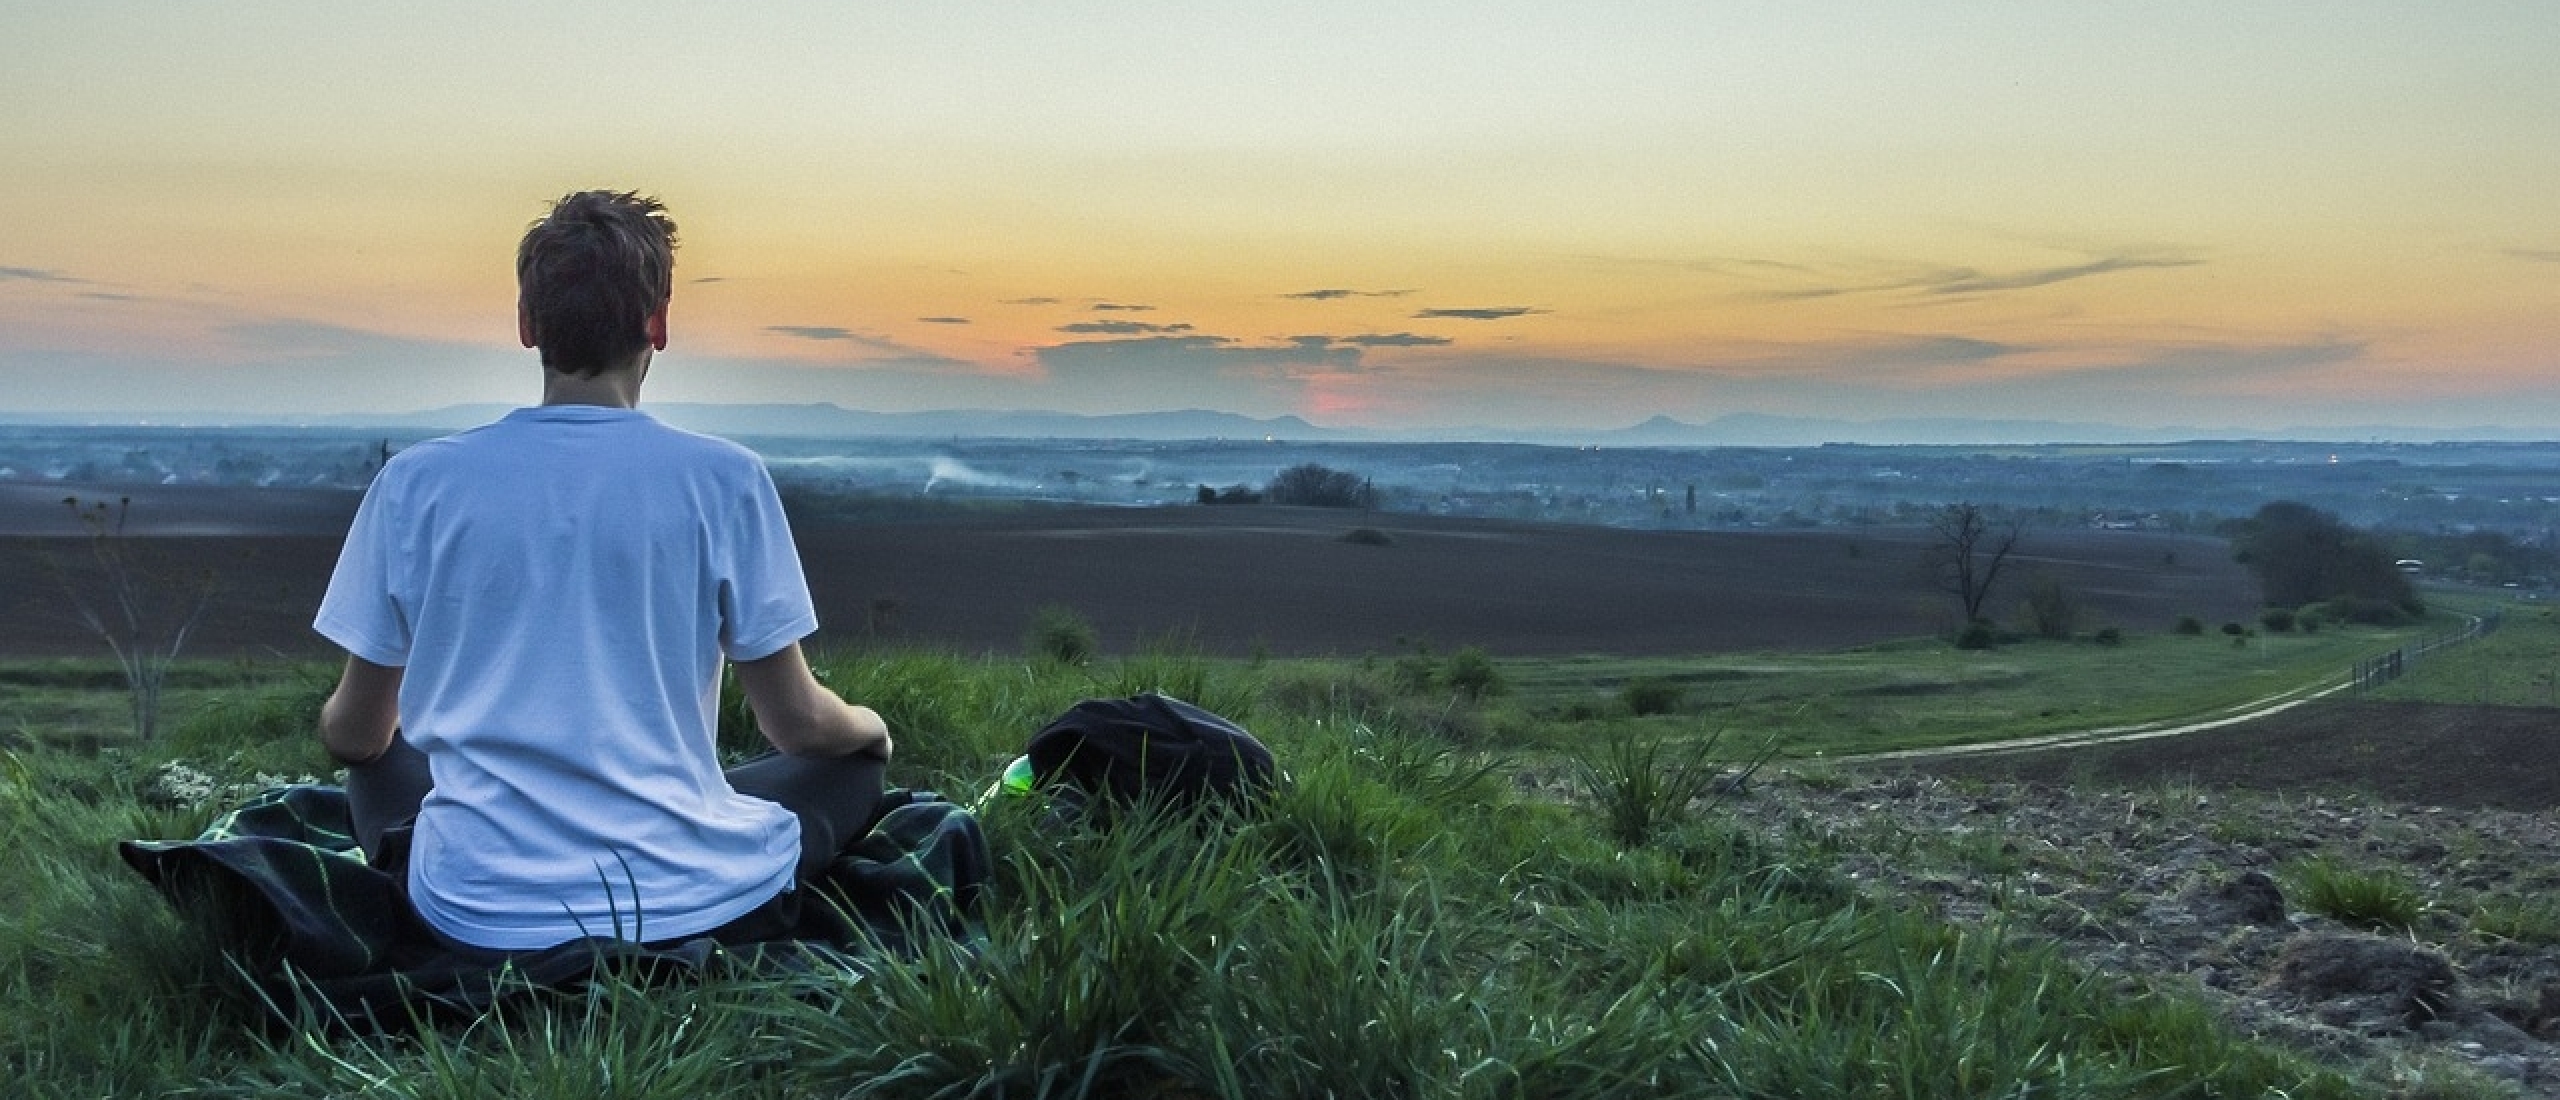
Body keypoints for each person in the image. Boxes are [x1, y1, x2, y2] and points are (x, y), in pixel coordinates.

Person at [313, 190, 892, 955]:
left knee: (380, 761)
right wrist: (871, 730)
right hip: (686, 898)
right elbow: (797, 726)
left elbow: (354, 736)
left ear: (527, 325)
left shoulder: (416, 484)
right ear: (658, 323)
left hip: (475, 909)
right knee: (849, 772)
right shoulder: (725, 479)